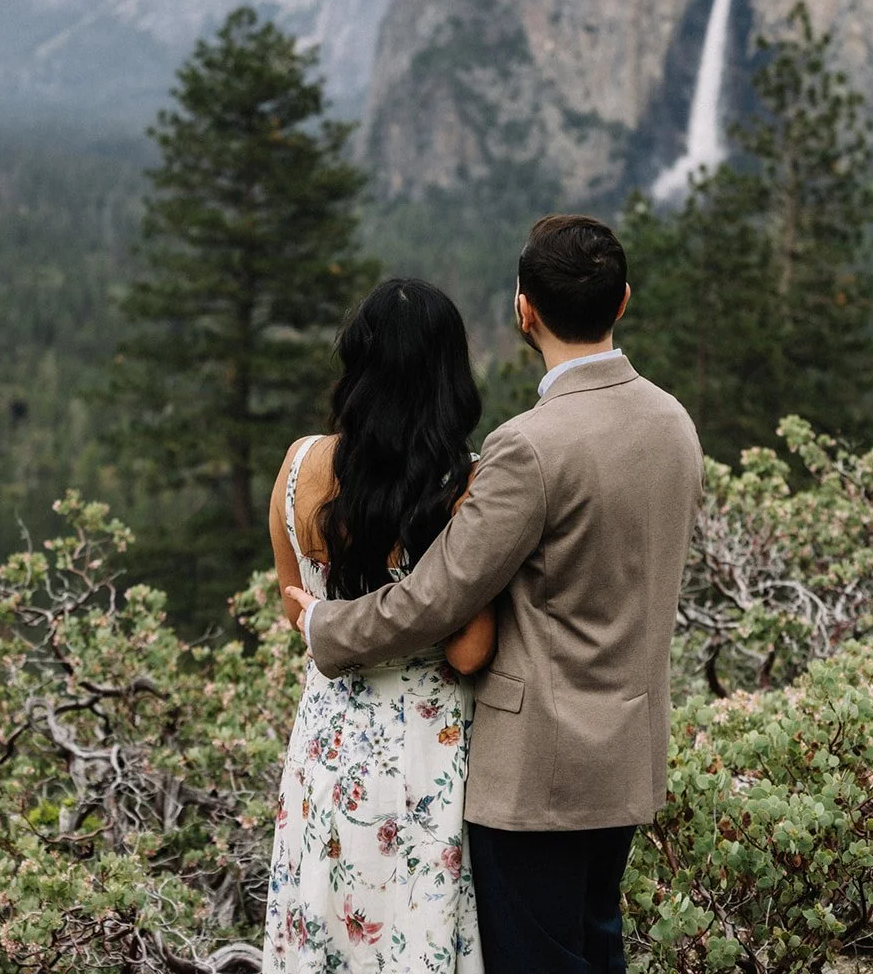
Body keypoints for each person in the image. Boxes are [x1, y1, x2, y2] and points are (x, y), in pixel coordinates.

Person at [290, 214, 704, 974]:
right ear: (622, 302)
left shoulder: (528, 446)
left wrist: (324, 626)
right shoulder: (673, 424)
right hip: (627, 754)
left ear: (524, 310)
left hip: (533, 770)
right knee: (595, 945)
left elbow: (434, 600)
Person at [263, 278, 495, 973]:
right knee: (413, 935)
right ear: (448, 373)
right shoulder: (466, 485)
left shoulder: (300, 464)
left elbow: (294, 609)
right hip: (428, 755)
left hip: (327, 750)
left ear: (356, 365)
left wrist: (333, 621)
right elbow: (470, 648)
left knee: (325, 927)